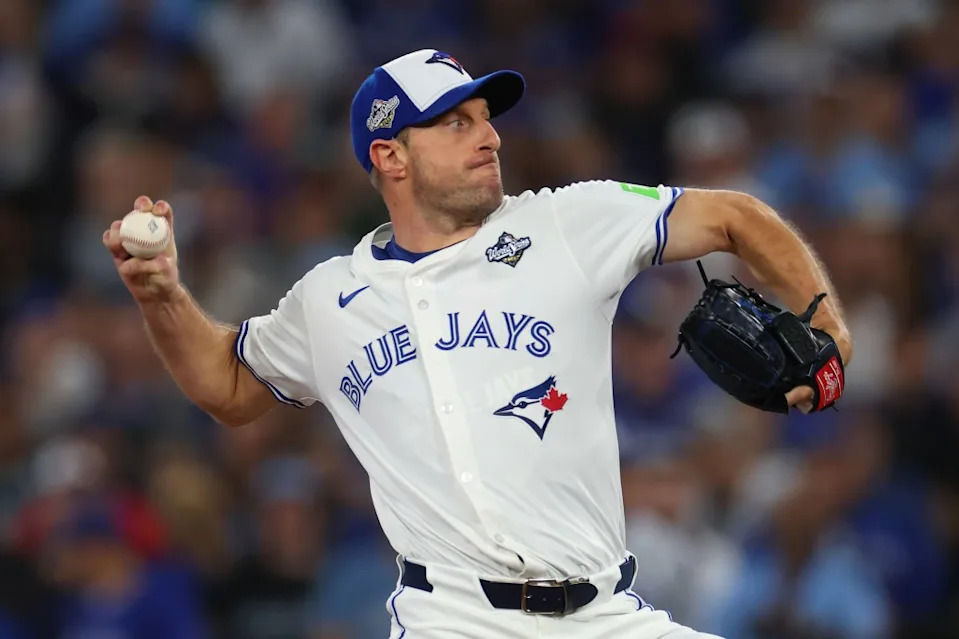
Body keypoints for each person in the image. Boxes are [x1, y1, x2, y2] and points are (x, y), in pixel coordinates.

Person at [103, 48, 853, 639]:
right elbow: (227, 385)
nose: (489, 134)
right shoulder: (329, 298)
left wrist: (823, 318)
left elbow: (729, 215)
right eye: (455, 122)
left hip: (606, 615)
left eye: (485, 117)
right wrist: (162, 295)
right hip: (452, 618)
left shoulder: (560, 224)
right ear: (390, 155)